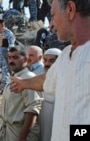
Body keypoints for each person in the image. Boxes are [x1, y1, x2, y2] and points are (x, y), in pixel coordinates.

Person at [10, 0, 90, 140]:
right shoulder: (65, 55)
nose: (51, 25)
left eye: (52, 16)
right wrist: (23, 83)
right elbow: (48, 80)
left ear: (70, 9)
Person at [0, 46, 43, 141]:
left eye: (15, 57)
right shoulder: (14, 78)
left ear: (25, 59)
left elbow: (32, 111)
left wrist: (21, 138)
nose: (11, 61)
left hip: (19, 133)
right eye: (9, 57)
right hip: (7, 132)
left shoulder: (28, 79)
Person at [39, 48, 61, 141]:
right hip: (42, 118)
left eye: (52, 61)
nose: (47, 64)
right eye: (45, 60)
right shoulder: (38, 78)